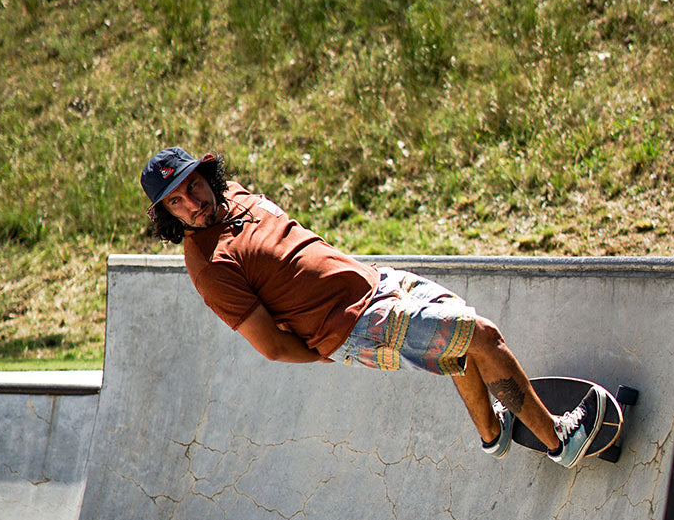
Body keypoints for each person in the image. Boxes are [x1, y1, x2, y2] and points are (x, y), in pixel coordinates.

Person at [141, 146, 605, 467]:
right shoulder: (209, 266)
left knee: (459, 342)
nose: (192, 204)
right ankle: (561, 441)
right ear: (168, 214)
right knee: (480, 336)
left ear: (207, 176)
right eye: (176, 203)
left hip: (375, 281)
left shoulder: (235, 194)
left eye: (193, 186)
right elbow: (272, 346)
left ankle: (493, 435)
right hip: (356, 325)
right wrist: (328, 346)